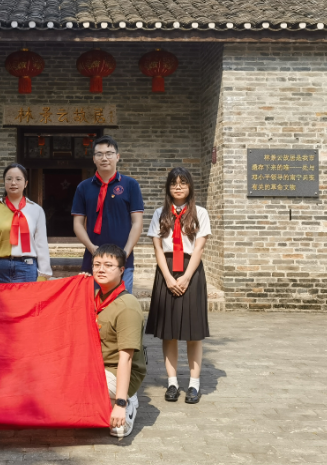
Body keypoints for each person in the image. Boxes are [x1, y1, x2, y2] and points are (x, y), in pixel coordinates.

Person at [145, 167, 211, 405]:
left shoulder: (200, 213)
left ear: (190, 186)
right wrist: (168, 278)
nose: (178, 187)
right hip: (166, 271)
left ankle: (194, 384)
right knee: (169, 332)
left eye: (183, 182)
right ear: (168, 188)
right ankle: (172, 382)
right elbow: (157, 249)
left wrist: (186, 277)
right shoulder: (159, 213)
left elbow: (199, 249)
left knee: (193, 333)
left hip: (192, 271)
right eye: (174, 183)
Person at [71, 135, 144, 292]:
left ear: (117, 156)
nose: (104, 158)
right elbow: (77, 224)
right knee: (92, 302)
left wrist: (125, 253)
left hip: (122, 259)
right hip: (93, 259)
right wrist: (92, 248)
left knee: (121, 302)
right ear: (94, 159)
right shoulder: (83, 187)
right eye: (99, 154)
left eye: (109, 153)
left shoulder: (131, 185)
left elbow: (137, 222)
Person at [88, 243, 146, 438]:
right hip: (96, 366)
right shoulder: (92, 297)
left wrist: (120, 404)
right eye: (96, 265)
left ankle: (125, 402)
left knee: (77, 385)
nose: (101, 269)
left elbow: (126, 358)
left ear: (122, 270)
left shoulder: (127, 306)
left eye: (108, 265)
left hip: (118, 370)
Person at [0, 163, 52, 283]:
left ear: (26, 183)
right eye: (9, 179)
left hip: (27, 268)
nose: (13, 183)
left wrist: (43, 274)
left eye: (18, 179)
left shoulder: (36, 210)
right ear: (4, 182)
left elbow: (41, 244)